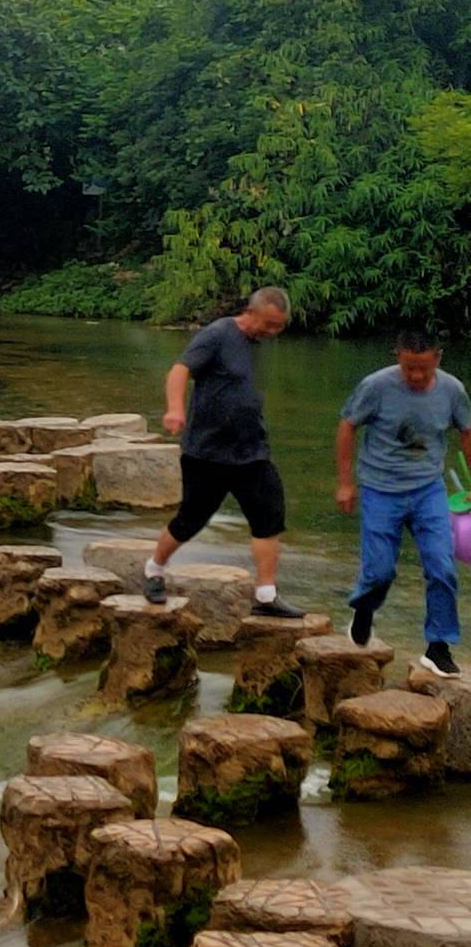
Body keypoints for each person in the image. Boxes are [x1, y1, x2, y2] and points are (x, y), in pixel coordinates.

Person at [143, 286, 305, 617]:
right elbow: (179, 370)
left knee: (269, 517)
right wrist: (175, 409)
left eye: (279, 327)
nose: (273, 333)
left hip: (251, 450)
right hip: (207, 451)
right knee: (191, 519)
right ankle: (153, 570)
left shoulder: (256, 344)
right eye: (269, 325)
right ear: (252, 312)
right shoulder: (217, 334)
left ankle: (265, 595)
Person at [336, 327, 471, 677]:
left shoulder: (452, 390)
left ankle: (438, 646)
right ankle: (364, 611)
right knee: (380, 570)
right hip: (381, 488)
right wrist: (345, 483)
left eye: (423, 368)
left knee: (442, 566)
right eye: (409, 367)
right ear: (398, 358)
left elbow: (467, 433)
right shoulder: (376, 386)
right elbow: (347, 426)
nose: (416, 375)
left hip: (429, 489)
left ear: (437, 359)